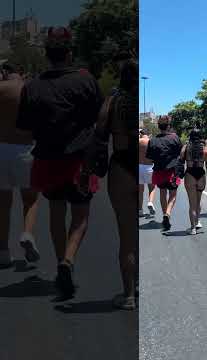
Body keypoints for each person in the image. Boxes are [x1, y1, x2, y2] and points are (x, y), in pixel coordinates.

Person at [16, 27, 104, 298]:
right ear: (69, 52)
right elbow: (98, 119)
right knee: (80, 215)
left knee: (56, 212)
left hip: (47, 159)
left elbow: (25, 126)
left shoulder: (33, 86)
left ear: (46, 54)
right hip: (79, 161)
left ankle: (59, 265)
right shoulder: (85, 80)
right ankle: (68, 259)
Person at [82, 59, 139, 310]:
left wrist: (88, 169)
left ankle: (129, 295)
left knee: (126, 236)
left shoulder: (115, 101)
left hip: (122, 167)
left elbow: (99, 134)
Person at [0, 65, 40, 267]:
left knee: (3, 205)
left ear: (6, 73)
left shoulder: (2, 88)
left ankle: (4, 252)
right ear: (22, 73)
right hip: (25, 149)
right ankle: (27, 233)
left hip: (1, 148)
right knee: (30, 200)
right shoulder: (31, 90)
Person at [146, 115, 182, 231]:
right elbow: (180, 154)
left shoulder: (153, 141)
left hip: (159, 171)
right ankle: (168, 213)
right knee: (173, 195)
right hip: (172, 172)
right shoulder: (175, 138)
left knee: (162, 193)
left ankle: (164, 215)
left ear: (158, 126)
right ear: (169, 126)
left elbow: (150, 159)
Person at [179, 128, 207, 235]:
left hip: (190, 174)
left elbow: (181, 158)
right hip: (201, 174)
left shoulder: (186, 146)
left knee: (192, 203)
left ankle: (193, 228)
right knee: (198, 201)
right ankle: (197, 222)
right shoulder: (204, 147)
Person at [139, 128, 156, 217]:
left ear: (141, 134)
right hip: (150, 167)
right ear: (148, 134)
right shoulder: (152, 142)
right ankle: (150, 202)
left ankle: (140, 210)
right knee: (152, 188)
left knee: (140, 190)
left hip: (139, 167)